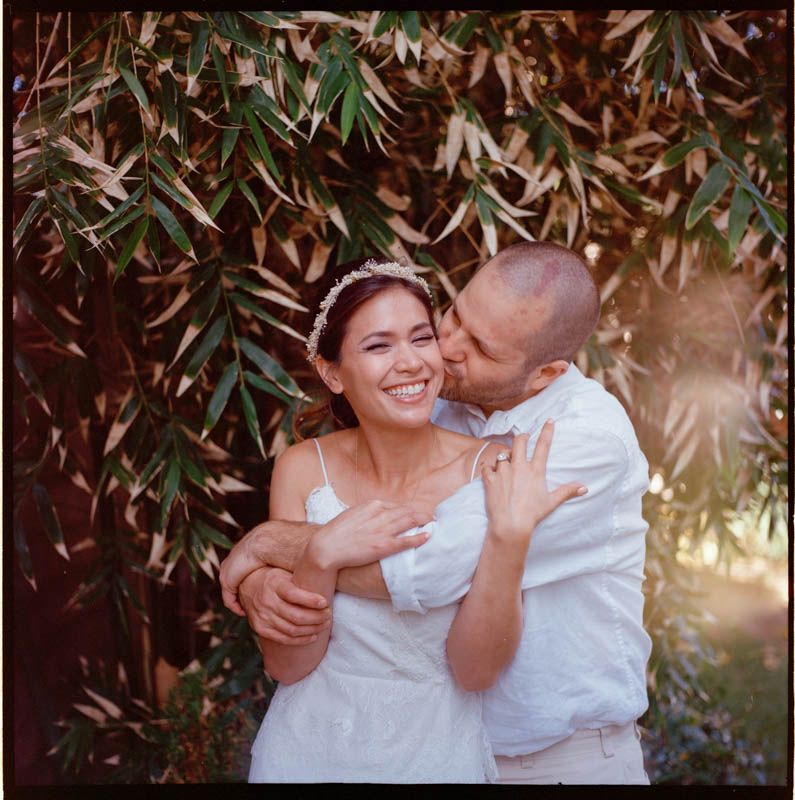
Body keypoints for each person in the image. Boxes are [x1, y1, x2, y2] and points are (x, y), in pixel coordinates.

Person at [223, 242, 652, 785]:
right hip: (340, 745)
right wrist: (266, 582)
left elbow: (423, 571)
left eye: (479, 347)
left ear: (545, 373)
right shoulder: (430, 395)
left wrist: (271, 547)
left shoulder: (581, 440)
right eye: (452, 318)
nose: (444, 349)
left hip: (558, 758)